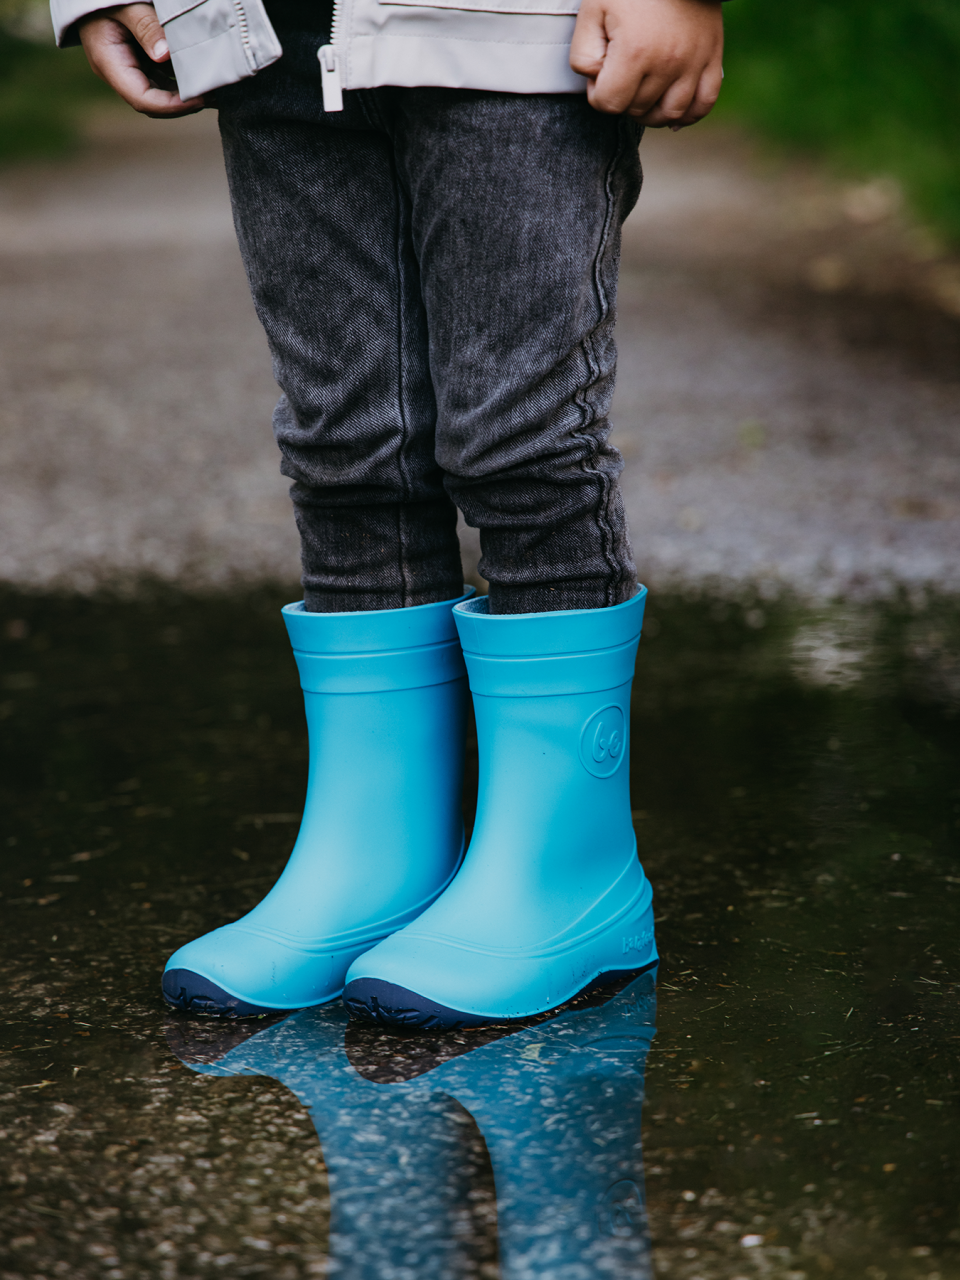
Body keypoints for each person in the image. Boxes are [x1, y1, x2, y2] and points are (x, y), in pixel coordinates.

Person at [57, 0, 724, 1028]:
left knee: (521, 436)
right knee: (342, 439)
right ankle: (380, 863)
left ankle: (571, 876)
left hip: (517, 29)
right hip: (261, 34)